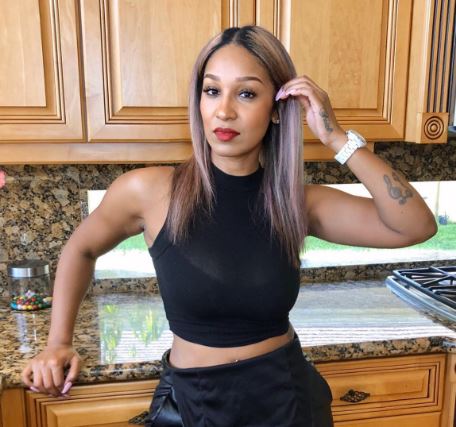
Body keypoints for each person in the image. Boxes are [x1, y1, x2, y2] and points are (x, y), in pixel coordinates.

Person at [21, 25, 437, 426]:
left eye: (247, 93)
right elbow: (81, 248)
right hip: (190, 403)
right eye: (212, 90)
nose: (224, 110)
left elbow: (415, 226)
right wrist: (58, 342)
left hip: (286, 404)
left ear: (277, 110)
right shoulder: (149, 191)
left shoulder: (296, 202)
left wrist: (336, 138)